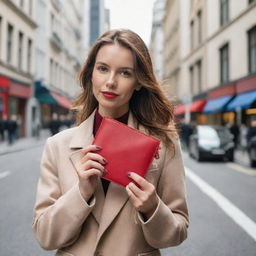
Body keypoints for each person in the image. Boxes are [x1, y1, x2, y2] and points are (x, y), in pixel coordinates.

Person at [32, 29, 189, 256]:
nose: (110, 82)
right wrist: (81, 192)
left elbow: (178, 231)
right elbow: (45, 237)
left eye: (125, 73)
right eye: (103, 69)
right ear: (91, 74)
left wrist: (152, 207)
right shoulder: (58, 145)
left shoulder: (164, 144)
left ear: (138, 82)